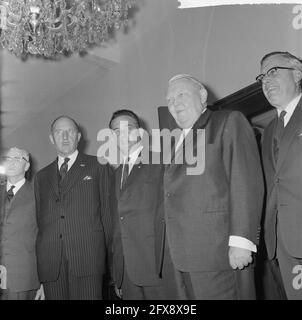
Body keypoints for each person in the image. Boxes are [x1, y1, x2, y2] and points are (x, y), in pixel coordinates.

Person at [159, 74, 264, 299]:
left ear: (203, 96)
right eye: (169, 100)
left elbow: (245, 180)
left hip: (218, 253)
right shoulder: (172, 142)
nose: (175, 103)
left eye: (181, 95)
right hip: (182, 255)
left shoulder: (227, 121)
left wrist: (242, 240)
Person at [34, 116, 111, 300]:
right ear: (52, 139)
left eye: (70, 131)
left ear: (78, 136)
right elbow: (40, 223)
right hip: (51, 265)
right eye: (59, 132)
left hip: (87, 260)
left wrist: (112, 262)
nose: (65, 136)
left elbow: (108, 217)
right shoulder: (41, 177)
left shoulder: (98, 166)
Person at [109, 109, 176, 299]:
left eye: (127, 128)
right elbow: (117, 225)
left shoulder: (161, 160)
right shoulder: (115, 174)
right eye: (116, 131)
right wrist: (118, 274)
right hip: (128, 273)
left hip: (158, 268)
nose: (121, 134)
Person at [258, 51, 302, 299]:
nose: (266, 80)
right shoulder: (268, 131)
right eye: (262, 76)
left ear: (297, 74)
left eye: (273, 72)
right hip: (282, 242)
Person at [0, 147, 44, 300]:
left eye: (17, 159)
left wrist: (44, 281)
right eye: (7, 158)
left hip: (23, 277)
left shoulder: (38, 194)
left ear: (27, 166)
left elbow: (44, 240)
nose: (11, 162)